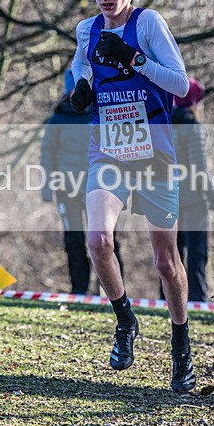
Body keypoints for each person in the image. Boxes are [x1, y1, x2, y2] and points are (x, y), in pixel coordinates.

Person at [69, 0, 195, 392]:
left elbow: (181, 85)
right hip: (109, 150)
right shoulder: (87, 30)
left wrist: (135, 59)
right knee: (98, 240)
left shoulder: (149, 23)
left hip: (155, 153)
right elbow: (80, 68)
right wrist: (81, 88)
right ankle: (125, 320)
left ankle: (181, 343)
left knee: (166, 263)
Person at [40, 69, 125, 295]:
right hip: (66, 187)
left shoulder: (100, 114)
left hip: (99, 187)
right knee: (74, 239)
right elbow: (47, 153)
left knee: (106, 238)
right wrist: (47, 184)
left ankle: (115, 291)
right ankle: (79, 289)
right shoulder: (57, 119)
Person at [171, 78, 214, 303]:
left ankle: (169, 298)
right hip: (193, 200)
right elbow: (199, 167)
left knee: (172, 253)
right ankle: (198, 298)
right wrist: (212, 195)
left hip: (169, 197)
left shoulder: (163, 124)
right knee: (197, 254)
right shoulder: (193, 128)